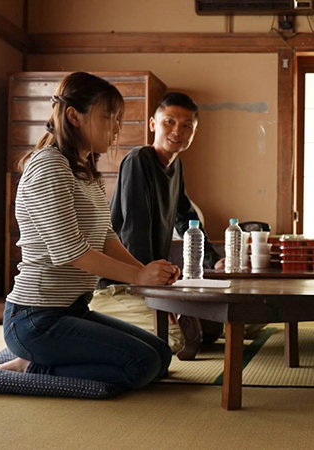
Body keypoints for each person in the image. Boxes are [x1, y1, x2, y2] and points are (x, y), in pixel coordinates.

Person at [0, 72, 177, 390]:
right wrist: (139, 276)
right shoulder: (49, 166)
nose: (116, 127)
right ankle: (33, 366)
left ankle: (43, 359)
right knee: (142, 364)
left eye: (118, 118)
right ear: (74, 116)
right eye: (108, 117)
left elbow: (107, 238)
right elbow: (72, 252)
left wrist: (149, 280)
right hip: (36, 319)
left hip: (74, 311)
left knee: (161, 355)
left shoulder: (86, 172)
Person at [93, 92, 224, 361]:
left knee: (213, 326)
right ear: (153, 124)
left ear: (194, 132)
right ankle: (96, 320)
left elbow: (187, 219)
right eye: (169, 122)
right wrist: (158, 295)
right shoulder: (139, 160)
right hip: (121, 285)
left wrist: (215, 260)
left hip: (150, 280)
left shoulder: (176, 167)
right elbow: (135, 233)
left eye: (186, 125)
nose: (177, 131)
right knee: (177, 337)